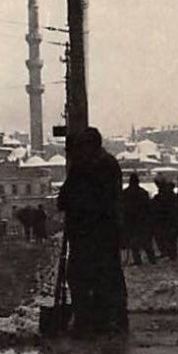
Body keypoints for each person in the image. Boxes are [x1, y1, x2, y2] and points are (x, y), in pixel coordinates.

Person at [57, 126, 128, 335]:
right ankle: (113, 319)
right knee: (108, 276)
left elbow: (65, 199)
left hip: (87, 233)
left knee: (80, 276)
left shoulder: (85, 166)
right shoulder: (110, 164)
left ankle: (87, 321)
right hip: (106, 232)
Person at [123, 172, 156, 265]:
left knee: (134, 243)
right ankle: (152, 259)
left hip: (130, 220)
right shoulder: (143, 193)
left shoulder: (125, 193)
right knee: (146, 242)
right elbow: (148, 207)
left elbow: (122, 207)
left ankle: (137, 260)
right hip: (142, 220)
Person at [152, 178, 178, 261]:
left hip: (163, 218)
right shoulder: (172, 195)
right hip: (170, 218)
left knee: (163, 237)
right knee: (170, 238)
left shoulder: (163, 195)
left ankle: (168, 253)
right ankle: (171, 253)